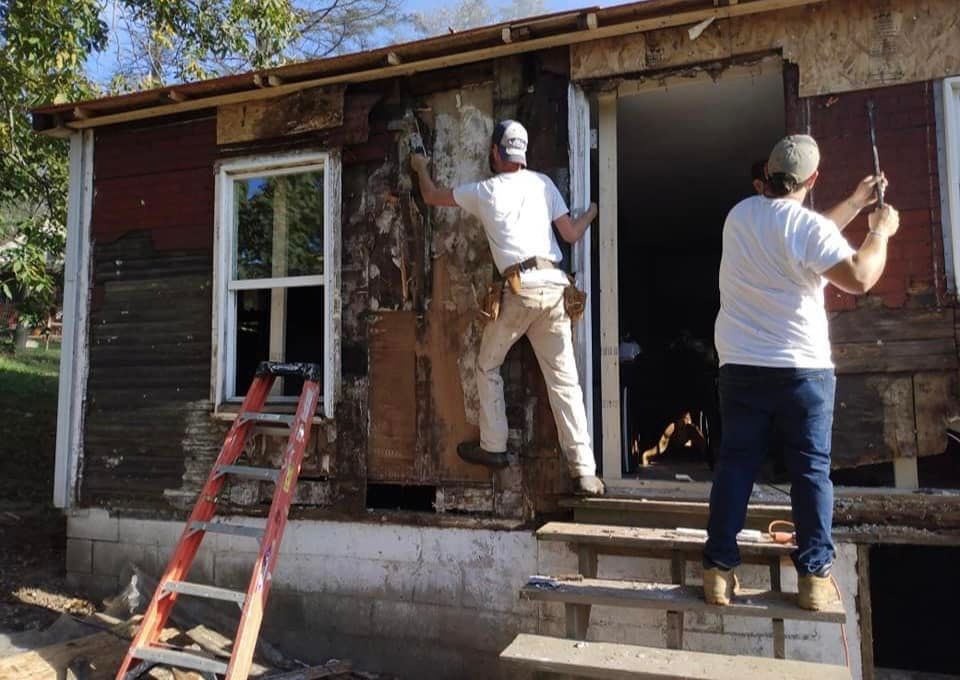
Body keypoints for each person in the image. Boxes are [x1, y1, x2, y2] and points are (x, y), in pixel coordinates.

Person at [704, 134, 898, 610]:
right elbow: (858, 276)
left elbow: (799, 234)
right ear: (813, 180)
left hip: (742, 367)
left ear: (767, 175)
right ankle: (813, 579)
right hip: (802, 373)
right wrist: (879, 231)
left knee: (735, 466)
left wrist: (854, 201)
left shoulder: (740, 217)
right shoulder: (808, 231)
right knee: (810, 472)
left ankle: (718, 572)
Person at [409, 120, 604, 496]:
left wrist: (420, 167)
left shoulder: (485, 190)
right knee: (564, 382)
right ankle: (585, 473)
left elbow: (432, 196)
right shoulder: (543, 184)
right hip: (555, 287)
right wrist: (594, 209)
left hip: (521, 289)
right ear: (523, 153)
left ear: (496, 152)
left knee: (487, 364)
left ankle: (494, 446)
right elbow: (571, 234)